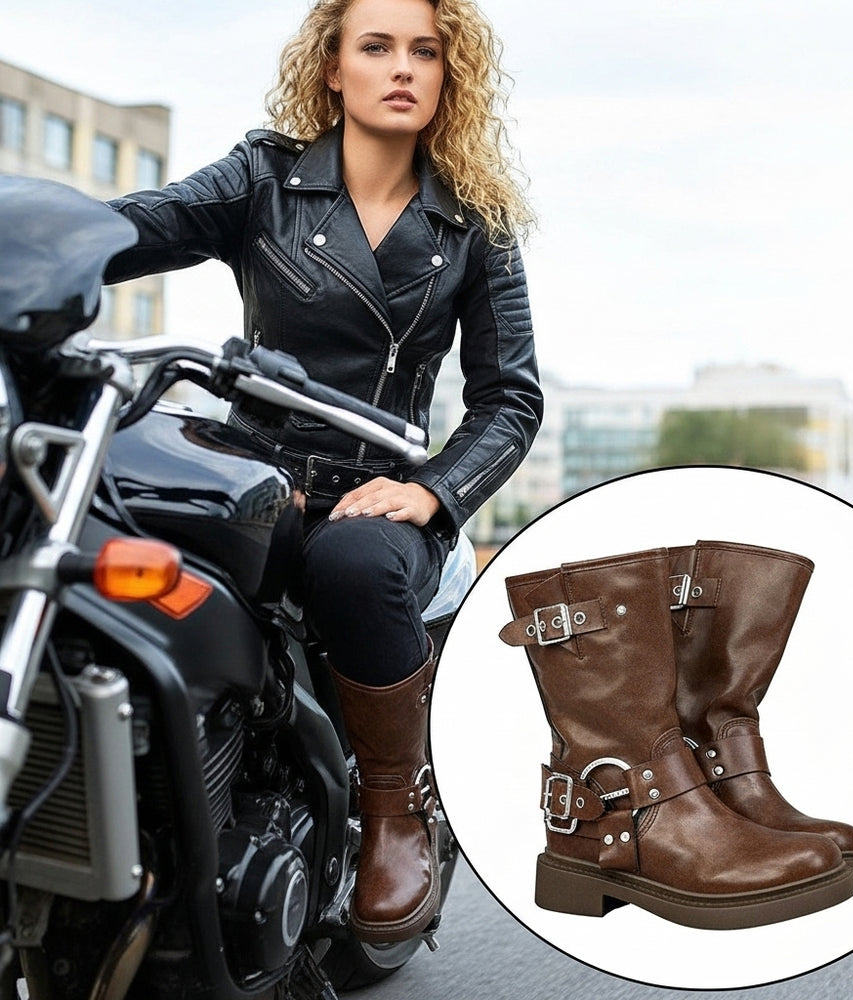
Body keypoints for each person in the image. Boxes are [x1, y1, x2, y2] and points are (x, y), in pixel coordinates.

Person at [103, 0, 542, 945]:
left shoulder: (475, 224)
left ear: (448, 75)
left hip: (379, 492)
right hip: (251, 473)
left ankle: (394, 811)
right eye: (376, 46)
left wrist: (432, 491)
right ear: (332, 69)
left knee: (353, 562)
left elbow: (511, 401)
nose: (402, 67)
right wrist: (40, 245)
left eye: (424, 51)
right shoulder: (263, 178)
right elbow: (133, 226)